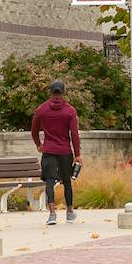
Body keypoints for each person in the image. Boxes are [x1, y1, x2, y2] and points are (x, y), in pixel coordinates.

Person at [30, 80, 82, 225]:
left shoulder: (41, 110)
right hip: (65, 151)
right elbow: (74, 134)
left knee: (49, 181)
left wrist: (38, 144)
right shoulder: (70, 111)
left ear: (51, 92)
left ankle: (52, 213)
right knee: (67, 182)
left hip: (49, 150)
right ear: (63, 92)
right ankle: (69, 212)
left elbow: (34, 131)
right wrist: (77, 154)